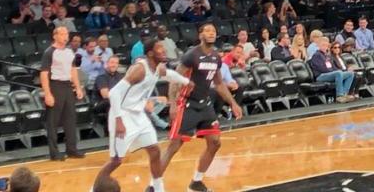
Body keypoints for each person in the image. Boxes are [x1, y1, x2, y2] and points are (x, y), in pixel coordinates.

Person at [92, 39, 189, 192]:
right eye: (159, 49)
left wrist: (185, 81)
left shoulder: (158, 67)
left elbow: (169, 74)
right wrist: (118, 121)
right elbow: (114, 93)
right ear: (150, 53)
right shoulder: (140, 69)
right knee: (116, 160)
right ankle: (93, 189)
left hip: (138, 115)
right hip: (122, 114)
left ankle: (157, 188)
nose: (163, 51)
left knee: (155, 151)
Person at [159, 23, 243, 192]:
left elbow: (219, 83)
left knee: (215, 142)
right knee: (174, 146)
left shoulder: (215, 57)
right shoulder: (191, 55)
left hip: (204, 104)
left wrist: (233, 103)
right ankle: (153, 185)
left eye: (214, 30)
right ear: (200, 35)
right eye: (208, 31)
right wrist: (173, 103)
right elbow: (175, 78)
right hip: (186, 103)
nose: (211, 33)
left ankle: (196, 182)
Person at [38, 26, 85, 160]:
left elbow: (73, 70)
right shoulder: (49, 52)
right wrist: (47, 94)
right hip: (55, 85)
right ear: (55, 36)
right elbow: (44, 74)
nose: (65, 36)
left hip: (67, 86)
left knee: (70, 119)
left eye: (67, 34)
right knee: (53, 121)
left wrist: (78, 87)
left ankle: (72, 149)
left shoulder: (70, 51)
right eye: (62, 33)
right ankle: (54, 153)